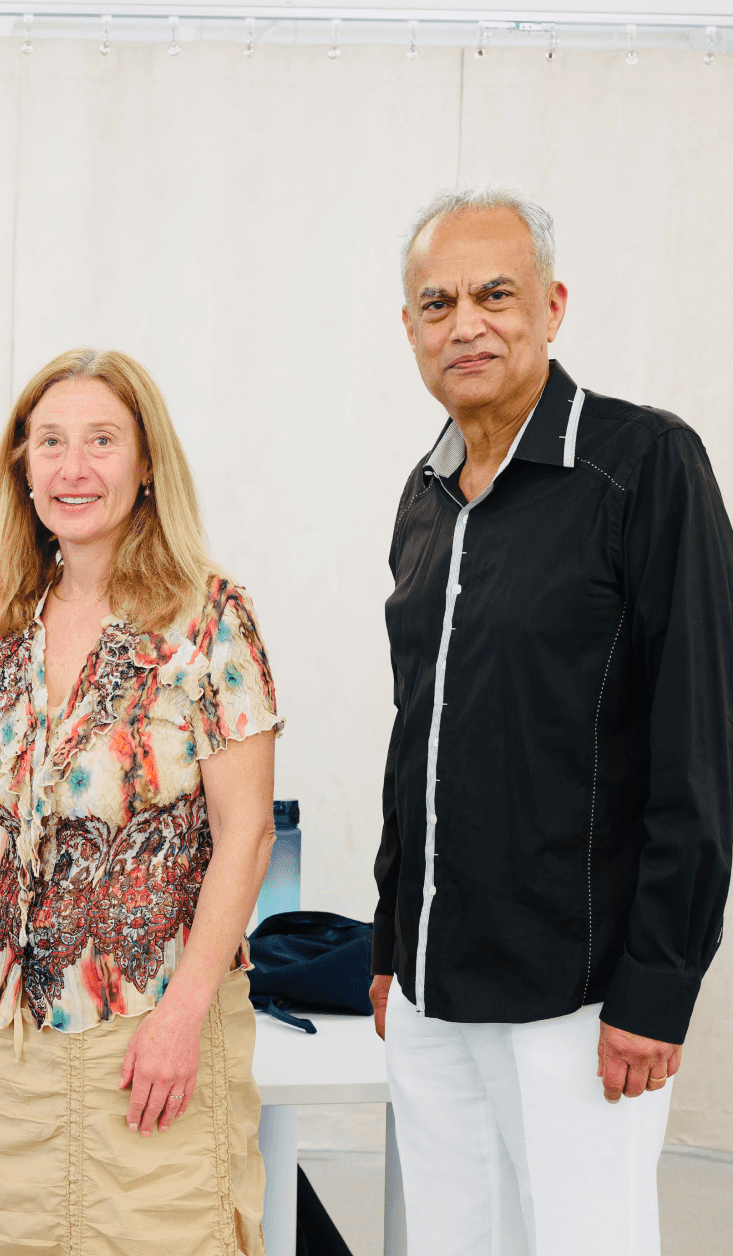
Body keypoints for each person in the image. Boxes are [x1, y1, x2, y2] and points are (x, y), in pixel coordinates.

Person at [373, 185, 733, 1256]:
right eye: (437, 304)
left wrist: (657, 987)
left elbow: (701, 743)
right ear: (410, 327)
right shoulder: (425, 495)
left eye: (495, 295)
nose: (466, 325)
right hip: (433, 995)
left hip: (579, 1004)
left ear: (552, 305)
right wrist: (392, 941)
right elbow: (416, 736)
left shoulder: (646, 464)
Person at [0, 348, 283, 1256]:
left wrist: (182, 1019)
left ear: (145, 466)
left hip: (154, 1030)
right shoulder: (15, 620)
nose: (74, 467)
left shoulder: (208, 617)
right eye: (50, 443)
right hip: (17, 1036)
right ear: (23, 469)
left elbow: (248, 834)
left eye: (102, 441)